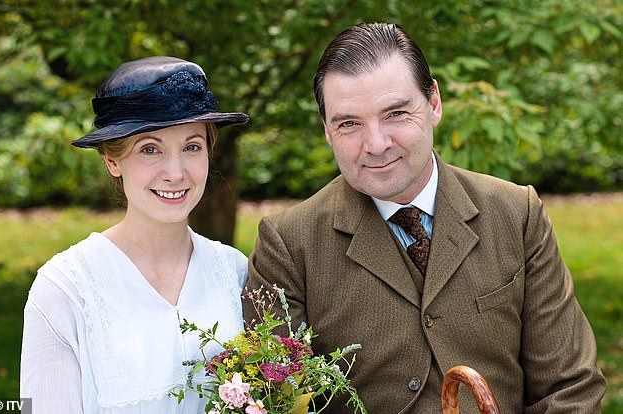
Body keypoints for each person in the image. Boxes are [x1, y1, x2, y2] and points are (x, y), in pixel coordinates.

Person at [243, 23, 606, 413]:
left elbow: (570, 388)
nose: (377, 144)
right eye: (349, 123)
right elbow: (276, 403)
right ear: (327, 132)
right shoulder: (287, 244)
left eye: (396, 113)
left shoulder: (517, 213)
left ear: (434, 103)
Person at [21, 56, 249, 413]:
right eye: (149, 149)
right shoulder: (64, 290)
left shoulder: (236, 273)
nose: (175, 173)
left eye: (192, 146)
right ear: (112, 160)